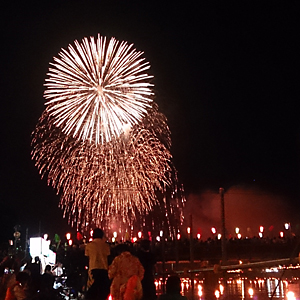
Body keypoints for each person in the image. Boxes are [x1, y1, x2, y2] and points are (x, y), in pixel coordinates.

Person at [85, 228, 111, 300]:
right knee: (103, 293)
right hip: (104, 270)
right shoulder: (106, 246)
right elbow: (108, 257)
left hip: (93, 269)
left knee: (92, 292)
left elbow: (87, 258)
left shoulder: (89, 246)